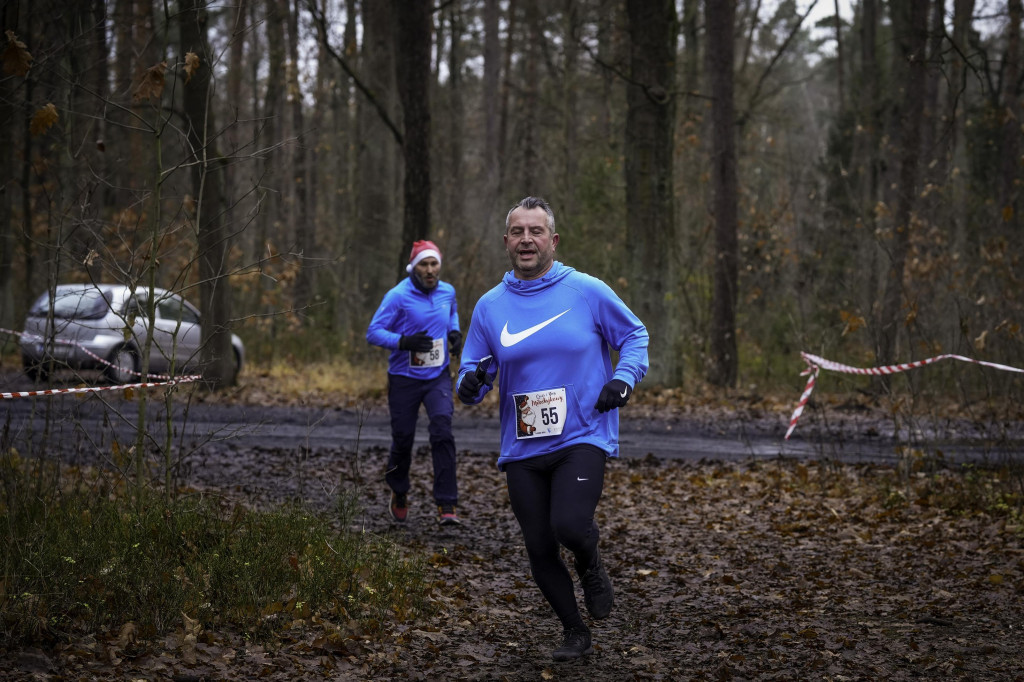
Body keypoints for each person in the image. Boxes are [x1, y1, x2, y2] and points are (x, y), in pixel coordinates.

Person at [456, 197, 649, 661]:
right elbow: (469, 383)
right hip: (522, 445)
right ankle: (574, 632)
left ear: (553, 240)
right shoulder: (489, 307)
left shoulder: (586, 290)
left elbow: (635, 335)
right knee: (539, 546)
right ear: (506, 242)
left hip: (582, 434)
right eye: (517, 232)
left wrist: (623, 379)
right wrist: (472, 382)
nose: (527, 239)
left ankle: (590, 562)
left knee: (569, 525)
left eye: (536, 231)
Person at [367, 240, 464, 526]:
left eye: (434, 264)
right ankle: (398, 489)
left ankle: (447, 503)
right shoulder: (397, 296)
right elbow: (373, 333)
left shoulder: (447, 291)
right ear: (414, 267)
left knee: (442, 431)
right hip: (404, 379)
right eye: (424, 264)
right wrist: (404, 342)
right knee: (403, 437)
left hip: (437, 376)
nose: (430, 270)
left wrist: (455, 332)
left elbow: (452, 312)